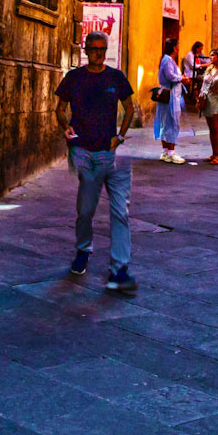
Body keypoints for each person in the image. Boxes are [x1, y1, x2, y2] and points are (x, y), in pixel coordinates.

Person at [55, 33, 137, 292]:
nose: (98, 53)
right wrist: (65, 127)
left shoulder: (116, 77)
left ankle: (120, 268)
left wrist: (120, 136)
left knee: (119, 211)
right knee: (86, 209)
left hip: (108, 152)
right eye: (93, 49)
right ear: (86, 50)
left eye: (102, 49)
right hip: (82, 151)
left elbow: (130, 108)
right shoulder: (74, 78)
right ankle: (83, 250)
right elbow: (60, 108)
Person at [155, 32, 188, 162]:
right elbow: (170, 76)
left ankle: (165, 151)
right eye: (177, 45)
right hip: (171, 96)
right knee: (172, 122)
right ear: (174, 47)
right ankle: (171, 152)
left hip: (169, 94)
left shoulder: (166, 59)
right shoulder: (168, 60)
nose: (179, 47)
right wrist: (182, 78)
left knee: (165, 122)